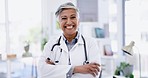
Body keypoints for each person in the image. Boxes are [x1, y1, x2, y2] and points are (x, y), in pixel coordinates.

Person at [38, 2, 101, 78]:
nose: (69, 22)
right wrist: (75, 69)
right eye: (64, 18)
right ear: (59, 23)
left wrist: (57, 70)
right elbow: (42, 72)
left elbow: (93, 74)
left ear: (78, 21)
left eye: (73, 17)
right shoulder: (51, 45)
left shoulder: (91, 43)